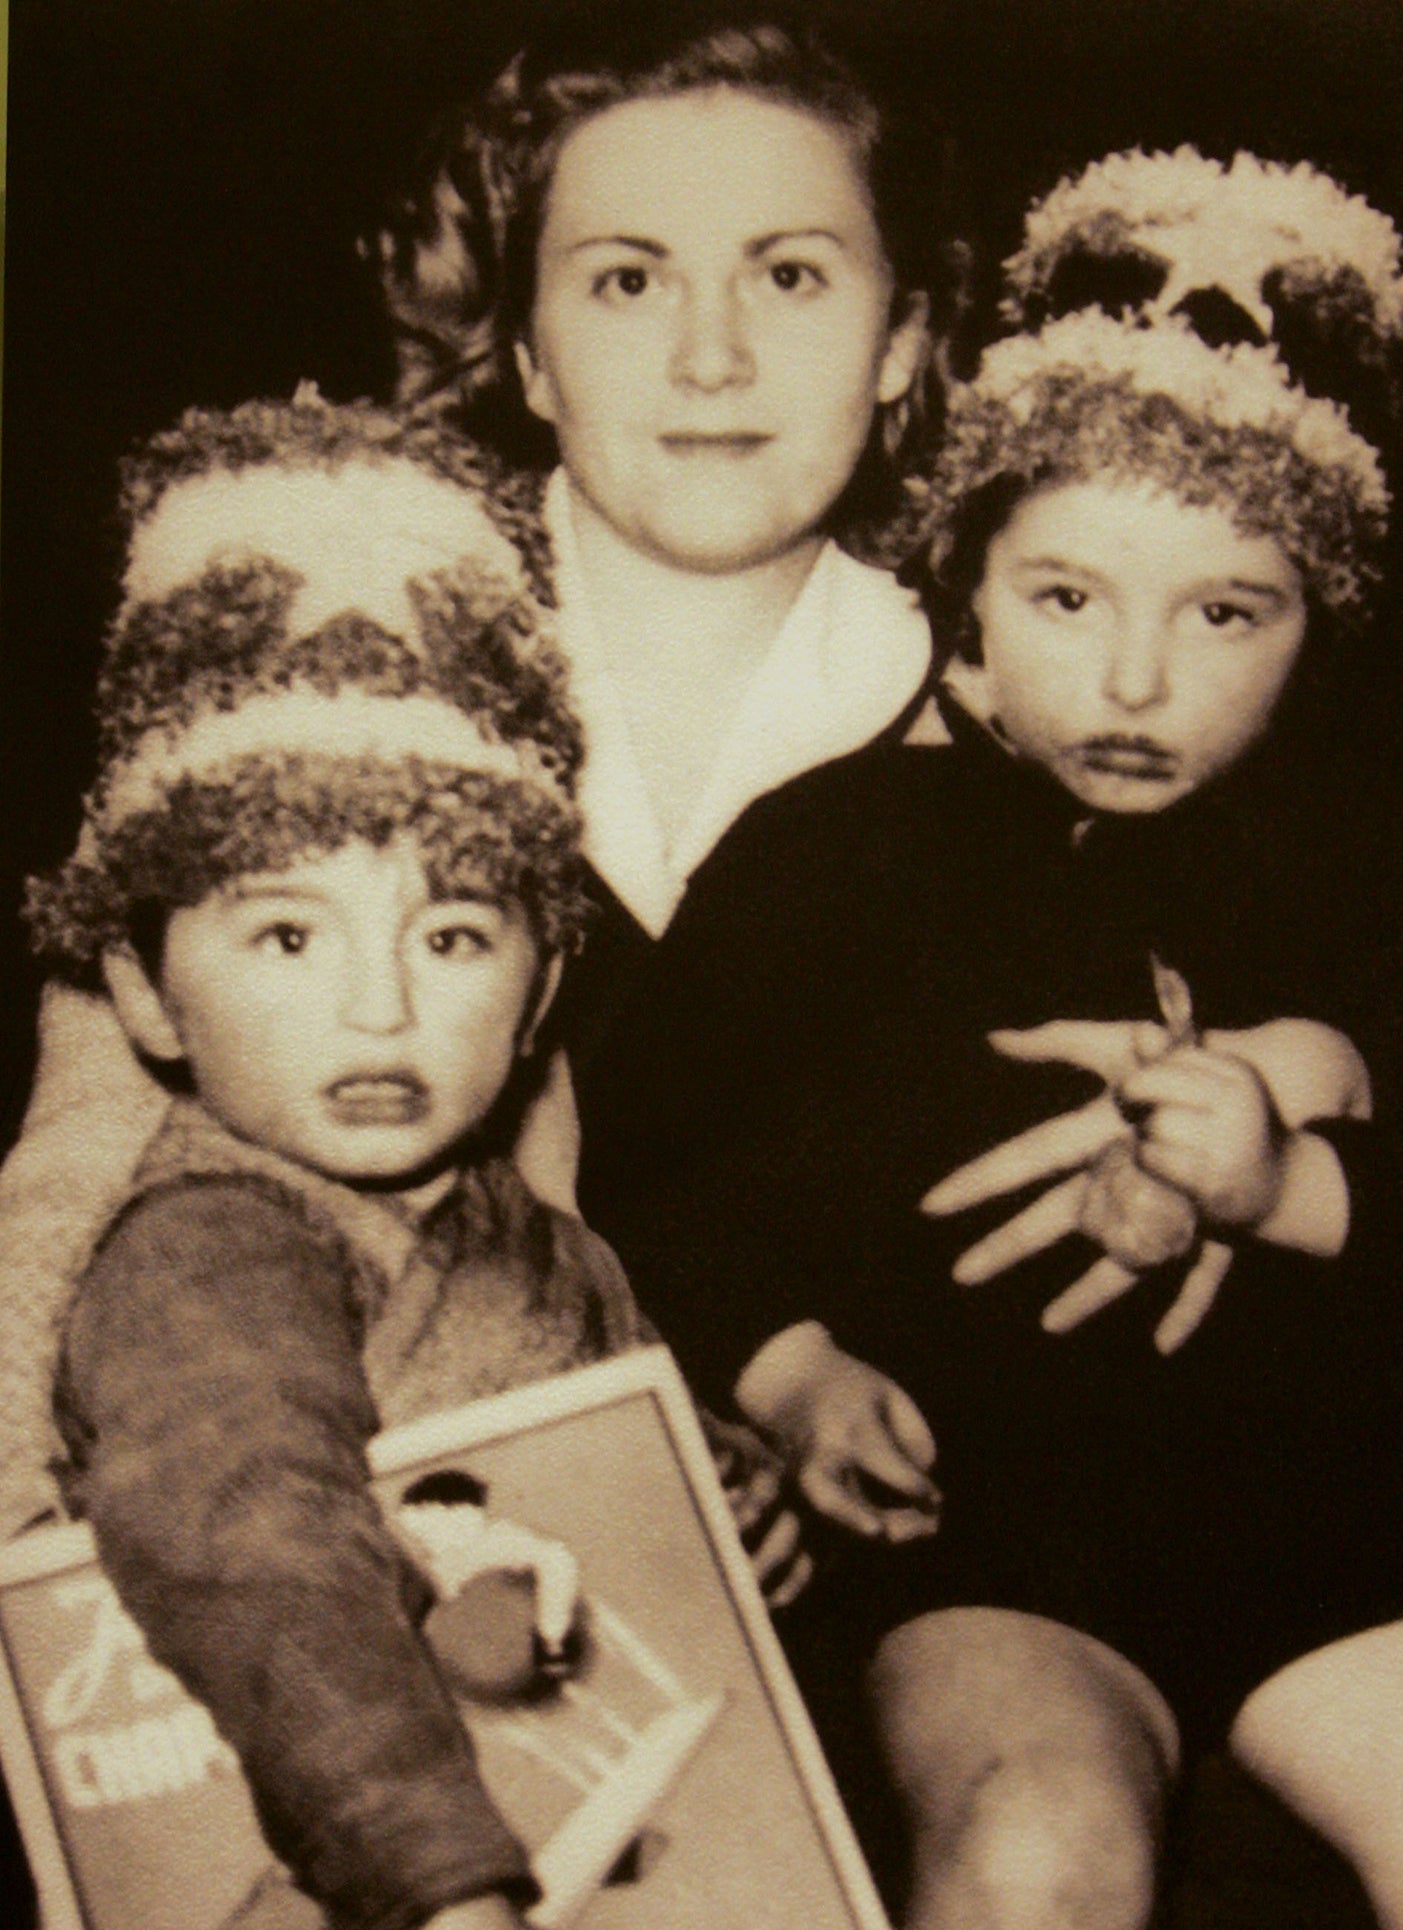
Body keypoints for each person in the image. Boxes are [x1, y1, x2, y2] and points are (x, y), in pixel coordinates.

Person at [567, 151, 1403, 1930]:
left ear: (1320, 620)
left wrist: (1289, 1185)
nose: (1136, 677)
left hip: (1364, 1529)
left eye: (1228, 614)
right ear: (969, 595)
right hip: (998, 1540)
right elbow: (661, 1156)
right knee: (1035, 1851)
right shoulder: (837, 849)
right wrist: (785, 1374)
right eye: (1070, 594)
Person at [0, 8, 944, 1541]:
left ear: (902, 336)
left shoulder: (1032, 719)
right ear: (528, 355)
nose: (712, 356)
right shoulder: (332, 652)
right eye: (628, 280)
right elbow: (81, 1149)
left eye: (791, 274)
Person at [23, 390, 690, 1930]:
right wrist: (447, 1904)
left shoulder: (511, 1219)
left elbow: (590, 1452)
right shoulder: (215, 1248)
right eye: (289, 939)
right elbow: (252, 1535)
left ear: (544, 985)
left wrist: (716, 1478)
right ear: (142, 991)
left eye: (456, 935)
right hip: (367, 1910)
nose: (383, 1010)